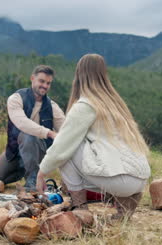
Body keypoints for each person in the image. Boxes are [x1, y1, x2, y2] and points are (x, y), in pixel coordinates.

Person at [36, 54, 151, 220]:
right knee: (79, 146)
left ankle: (80, 209)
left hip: (120, 181)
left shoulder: (86, 105)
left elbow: (62, 145)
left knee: (69, 147)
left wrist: (42, 173)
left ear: (79, 75)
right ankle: (125, 206)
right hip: (139, 181)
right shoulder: (114, 104)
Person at [0, 65, 65, 191]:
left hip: (38, 151)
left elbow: (65, 129)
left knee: (27, 136)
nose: (45, 85)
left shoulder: (52, 106)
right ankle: (22, 175)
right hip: (15, 150)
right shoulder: (16, 99)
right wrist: (49, 133)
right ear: (32, 78)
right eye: (42, 81)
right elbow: (22, 123)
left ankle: (32, 181)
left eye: (48, 83)